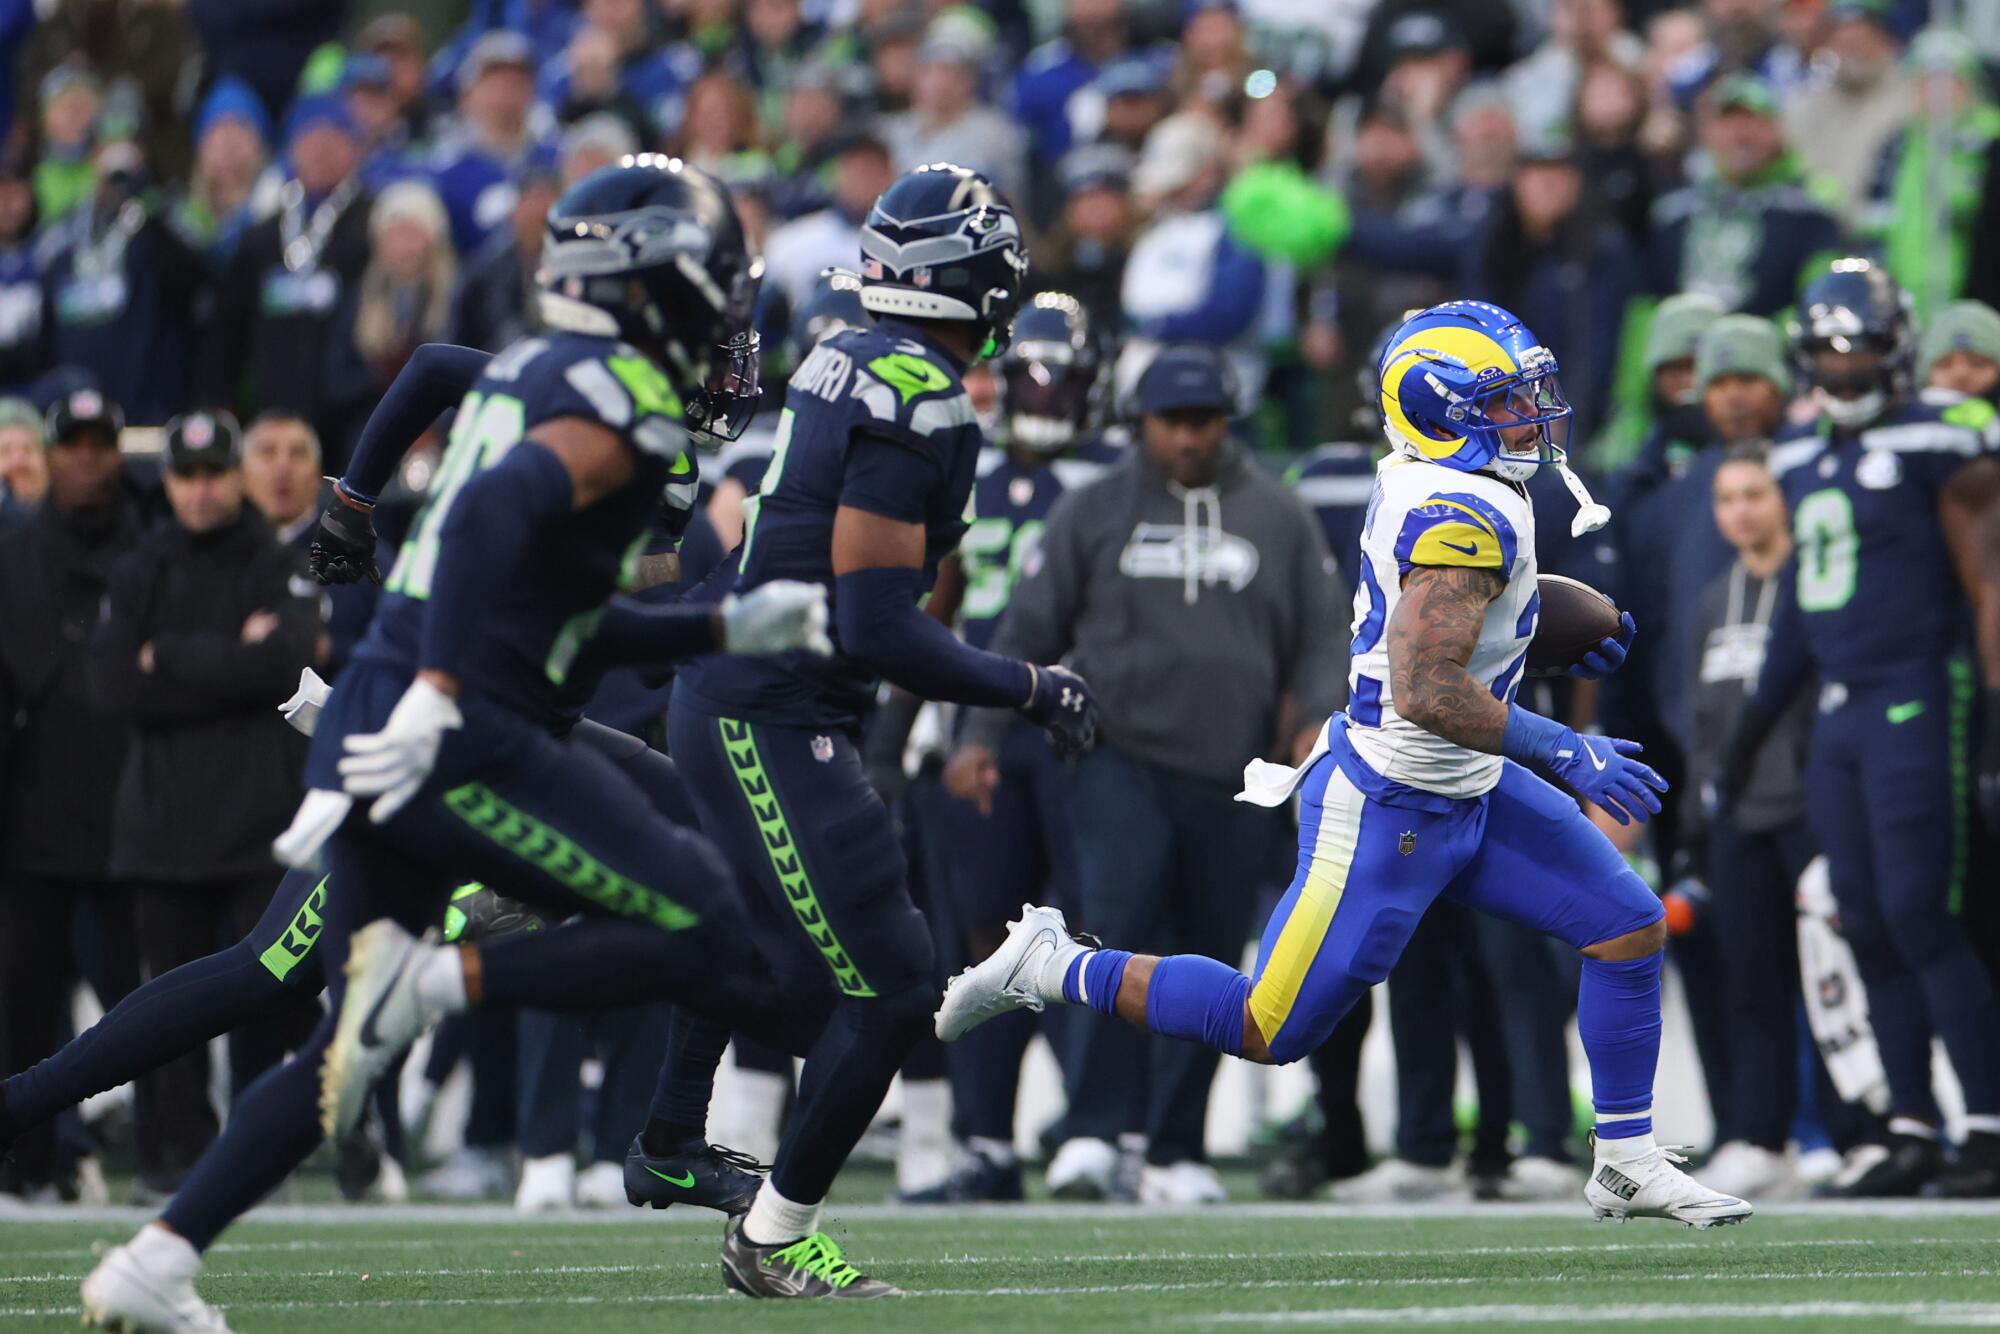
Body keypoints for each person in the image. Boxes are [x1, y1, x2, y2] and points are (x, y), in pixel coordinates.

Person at [78, 158, 835, 1329]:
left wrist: (716, 613)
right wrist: (420, 642)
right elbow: (489, 525)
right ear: (644, 295)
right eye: (707, 305)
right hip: (457, 723)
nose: (728, 347)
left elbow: (551, 572)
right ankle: (515, 1020)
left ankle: (156, 1252)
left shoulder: (550, 369)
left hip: (454, 705)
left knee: (333, 1036)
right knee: (711, 918)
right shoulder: (619, 404)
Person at [941, 299, 1754, 1229]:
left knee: (1626, 926)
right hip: (1391, 802)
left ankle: (1626, 1158)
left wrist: (1557, 619)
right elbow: (1425, 687)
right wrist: (1567, 748)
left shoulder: (1460, 480)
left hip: (1469, 788)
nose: (1531, 414)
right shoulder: (1460, 507)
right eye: (1504, 400)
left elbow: (1479, 600)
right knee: (1265, 1026)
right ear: (1442, 409)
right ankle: (1051, 964)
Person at [668, 162, 1094, 1297]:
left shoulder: (853, 354)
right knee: (889, 988)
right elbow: (875, 619)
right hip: (773, 710)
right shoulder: (918, 393)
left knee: (812, 974)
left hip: (777, 703)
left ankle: (690, 1151)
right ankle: (764, 1232)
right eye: (997, 264)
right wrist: (1027, 685)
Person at [951, 341, 1346, 1203]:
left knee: (1211, 959)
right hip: (1115, 755)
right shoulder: (1093, 509)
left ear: (1226, 421)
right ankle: (1093, 1131)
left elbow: (1321, 636)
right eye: (1171, 421)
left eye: (1203, 421)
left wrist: (1317, 720)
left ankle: (1175, 1148)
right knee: (1116, 931)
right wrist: (978, 734)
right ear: (1141, 423)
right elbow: (1026, 629)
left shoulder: (1279, 516)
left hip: (1238, 769)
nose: (1188, 439)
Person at [1721, 259, 2000, 1197]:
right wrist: (1754, 725)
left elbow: (1988, 578)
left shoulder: (1943, 435)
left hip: (1921, 692)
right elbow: (1802, 604)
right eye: (1827, 354)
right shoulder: (1797, 454)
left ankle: (1990, 1129)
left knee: (1923, 911)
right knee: (1868, 922)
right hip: (1840, 709)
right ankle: (1910, 1123)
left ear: (1897, 351)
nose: (1843, 371)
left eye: (1861, 350)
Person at [88, 409, 324, 1195]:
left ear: (235, 476)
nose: (197, 491)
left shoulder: (274, 556)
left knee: (285, 995)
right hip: (159, 824)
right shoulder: (140, 564)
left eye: (212, 473)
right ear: (170, 480)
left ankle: (300, 1147)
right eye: (184, 476)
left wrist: (174, 655)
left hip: (260, 823)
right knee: (166, 1004)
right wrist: (235, 660)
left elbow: (286, 666)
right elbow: (116, 685)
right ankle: (176, 1157)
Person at [930, 293, 1119, 1200]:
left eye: (1063, 379)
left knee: (1090, 931)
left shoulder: (1117, 476)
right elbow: (938, 598)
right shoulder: (963, 469)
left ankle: (1090, 1126)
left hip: (1086, 729)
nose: (1045, 397)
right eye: (1031, 378)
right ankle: (985, 1141)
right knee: (981, 936)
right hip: (983, 731)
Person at [0, 388, 145, 1200]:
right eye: (74, 443)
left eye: (100, 442)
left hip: (136, 815)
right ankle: (22, 1160)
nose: (87, 457)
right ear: (54, 453)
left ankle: (162, 1151)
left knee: (152, 996)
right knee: (21, 999)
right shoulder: (12, 555)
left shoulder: (153, 547)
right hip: (34, 814)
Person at [1682, 445, 1817, 1201]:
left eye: (1755, 495)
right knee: (1753, 986)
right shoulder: (1711, 599)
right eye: (1728, 498)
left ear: (1783, 499)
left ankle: (1856, 1133)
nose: (1741, 510)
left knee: (1841, 981)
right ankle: (1762, 1139)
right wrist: (1703, 813)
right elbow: (1701, 723)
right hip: (1736, 817)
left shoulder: (1816, 586)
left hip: (1812, 811)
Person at [198, 93, 375, 469]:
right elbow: (228, 328)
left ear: (356, 148)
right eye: (310, 139)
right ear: (291, 149)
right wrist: (220, 404)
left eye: (334, 139)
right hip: (273, 420)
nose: (321, 151)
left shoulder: (374, 225)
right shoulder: (261, 235)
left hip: (351, 421)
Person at [1646, 76, 1843, 318]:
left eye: (1753, 121)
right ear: (1706, 134)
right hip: (1685, 350)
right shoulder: (1672, 212)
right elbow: (1647, 305)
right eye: (1727, 123)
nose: (1740, 136)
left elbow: (1821, 299)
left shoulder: (1810, 213)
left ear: (1776, 131)